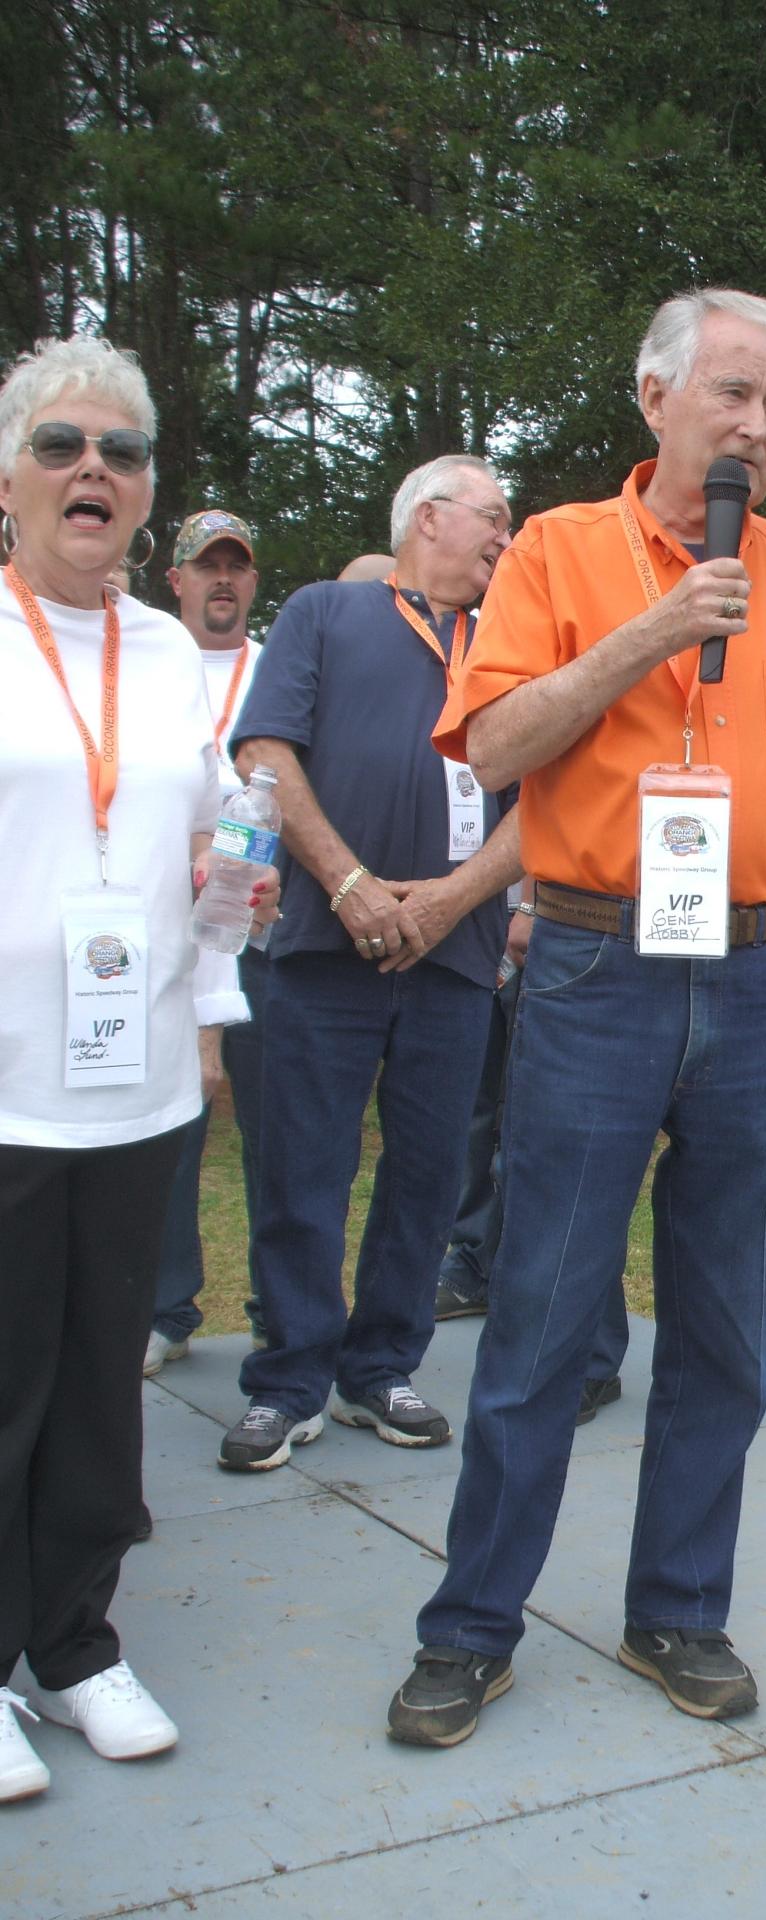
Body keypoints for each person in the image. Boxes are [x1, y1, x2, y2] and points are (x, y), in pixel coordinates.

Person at [387, 289, 766, 1748]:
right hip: (596, 972)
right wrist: (654, 630)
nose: (756, 426)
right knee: (540, 1316)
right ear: (655, 400)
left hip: (763, 980)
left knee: (724, 1329)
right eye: (732, 395)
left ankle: (679, 1610)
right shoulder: (558, 551)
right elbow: (492, 742)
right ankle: (471, 1630)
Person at [0, 336, 278, 1801]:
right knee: (6, 1377)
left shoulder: (170, 655)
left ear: (148, 492)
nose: (90, 469)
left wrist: (232, 889)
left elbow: (205, 838)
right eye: (59, 445)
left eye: (119, 450)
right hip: (5, 1084)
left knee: (104, 1380)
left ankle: (73, 1643)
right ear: (9, 480)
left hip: (139, 1075)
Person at [218, 454, 523, 1473]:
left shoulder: (511, 644)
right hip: (325, 943)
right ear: (427, 517)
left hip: (455, 953)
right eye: (493, 516)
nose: (506, 537)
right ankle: (288, 1380)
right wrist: (350, 885)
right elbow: (265, 752)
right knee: (304, 1163)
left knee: (430, 1173)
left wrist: (450, 901)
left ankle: (381, 1367)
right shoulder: (324, 613)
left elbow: (548, 804)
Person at [145, 509, 268, 1376]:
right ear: (176, 579)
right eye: (205, 565)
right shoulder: (148, 664)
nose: (222, 579)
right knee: (171, 1130)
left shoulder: (278, 667)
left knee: (283, 1136)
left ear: (252, 581)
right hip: (174, 928)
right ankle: (164, 1307)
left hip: (268, 929)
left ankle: (281, 1314)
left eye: (236, 566)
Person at [435, 884, 631, 1425]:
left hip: (587, 929)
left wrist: (529, 906)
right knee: (503, 1131)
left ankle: (587, 1359)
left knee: (575, 1152)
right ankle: (482, 1270)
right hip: (501, 925)